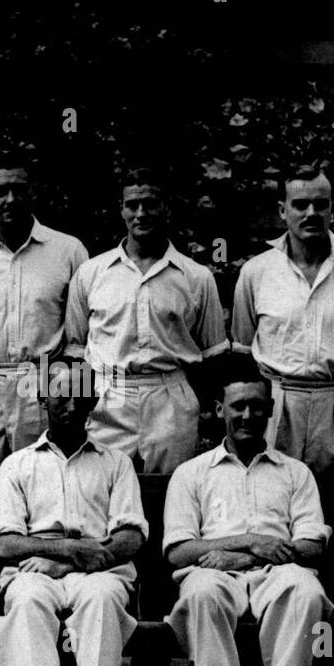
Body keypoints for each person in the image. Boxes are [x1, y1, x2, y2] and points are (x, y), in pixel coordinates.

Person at [163, 354, 334, 666]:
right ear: (219, 410)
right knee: (201, 591)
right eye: (237, 405)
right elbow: (179, 552)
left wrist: (246, 554)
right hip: (213, 572)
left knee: (307, 590)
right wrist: (250, 540)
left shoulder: (295, 473)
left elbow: (312, 546)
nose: (248, 414)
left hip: (277, 571)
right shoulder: (191, 474)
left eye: (258, 406)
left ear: (271, 410)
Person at [0, 358, 146, 666]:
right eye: (61, 395)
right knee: (26, 599)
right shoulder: (17, 465)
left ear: (94, 400)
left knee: (101, 598)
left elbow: (131, 538)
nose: (72, 405)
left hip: (100, 573)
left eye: (81, 395)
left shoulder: (116, 463)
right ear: (42, 398)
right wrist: (73, 550)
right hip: (36, 574)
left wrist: (63, 556)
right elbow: (5, 543)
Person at [231, 163, 334, 493]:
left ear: (333, 209)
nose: (311, 213)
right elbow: (243, 351)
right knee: (269, 496)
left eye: (321, 204)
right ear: (283, 211)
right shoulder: (256, 273)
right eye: (300, 205)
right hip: (276, 404)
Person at [64, 168, 228, 474]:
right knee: (103, 488)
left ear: (165, 208)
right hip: (107, 397)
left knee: (173, 491)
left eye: (151, 204)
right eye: (132, 205)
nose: (141, 214)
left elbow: (213, 357)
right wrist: (81, 407)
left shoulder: (196, 277)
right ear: (121, 209)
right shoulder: (91, 273)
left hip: (170, 398)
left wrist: (206, 412)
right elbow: (75, 353)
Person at [0, 154, 88, 471]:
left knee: (44, 478)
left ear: (33, 193)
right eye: (0, 190)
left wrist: (75, 409)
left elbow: (80, 342)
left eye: (19, 189)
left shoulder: (69, 251)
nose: (10, 199)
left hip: (42, 385)